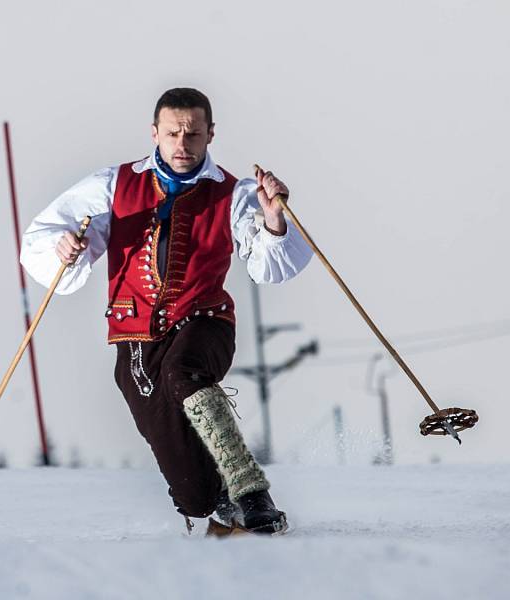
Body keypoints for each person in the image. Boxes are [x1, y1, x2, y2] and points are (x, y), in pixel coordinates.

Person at [21, 88, 313, 534]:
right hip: (134, 338)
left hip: (205, 320)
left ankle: (252, 492)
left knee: (183, 371)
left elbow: (272, 264)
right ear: (154, 133)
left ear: (210, 134)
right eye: (173, 132)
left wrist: (274, 219)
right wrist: (65, 248)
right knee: (192, 497)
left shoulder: (233, 193)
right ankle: (223, 508)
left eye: (193, 133)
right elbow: (47, 236)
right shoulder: (113, 185)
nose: (182, 143)